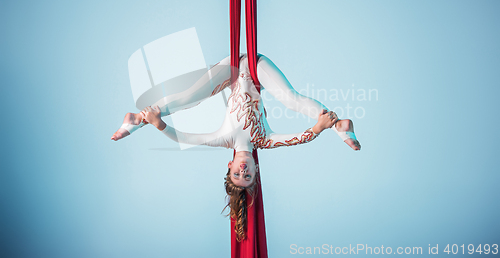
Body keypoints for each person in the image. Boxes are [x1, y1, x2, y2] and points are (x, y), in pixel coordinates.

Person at [111, 54, 360, 239]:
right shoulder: (263, 141)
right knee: (291, 99)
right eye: (248, 175)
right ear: (256, 170)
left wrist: (158, 124)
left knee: (189, 98)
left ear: (229, 165)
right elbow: (299, 138)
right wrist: (318, 128)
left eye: (237, 173)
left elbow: (185, 139)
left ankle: (139, 119)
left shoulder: (224, 139)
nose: (243, 169)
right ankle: (338, 124)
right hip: (257, 66)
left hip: (230, 68)